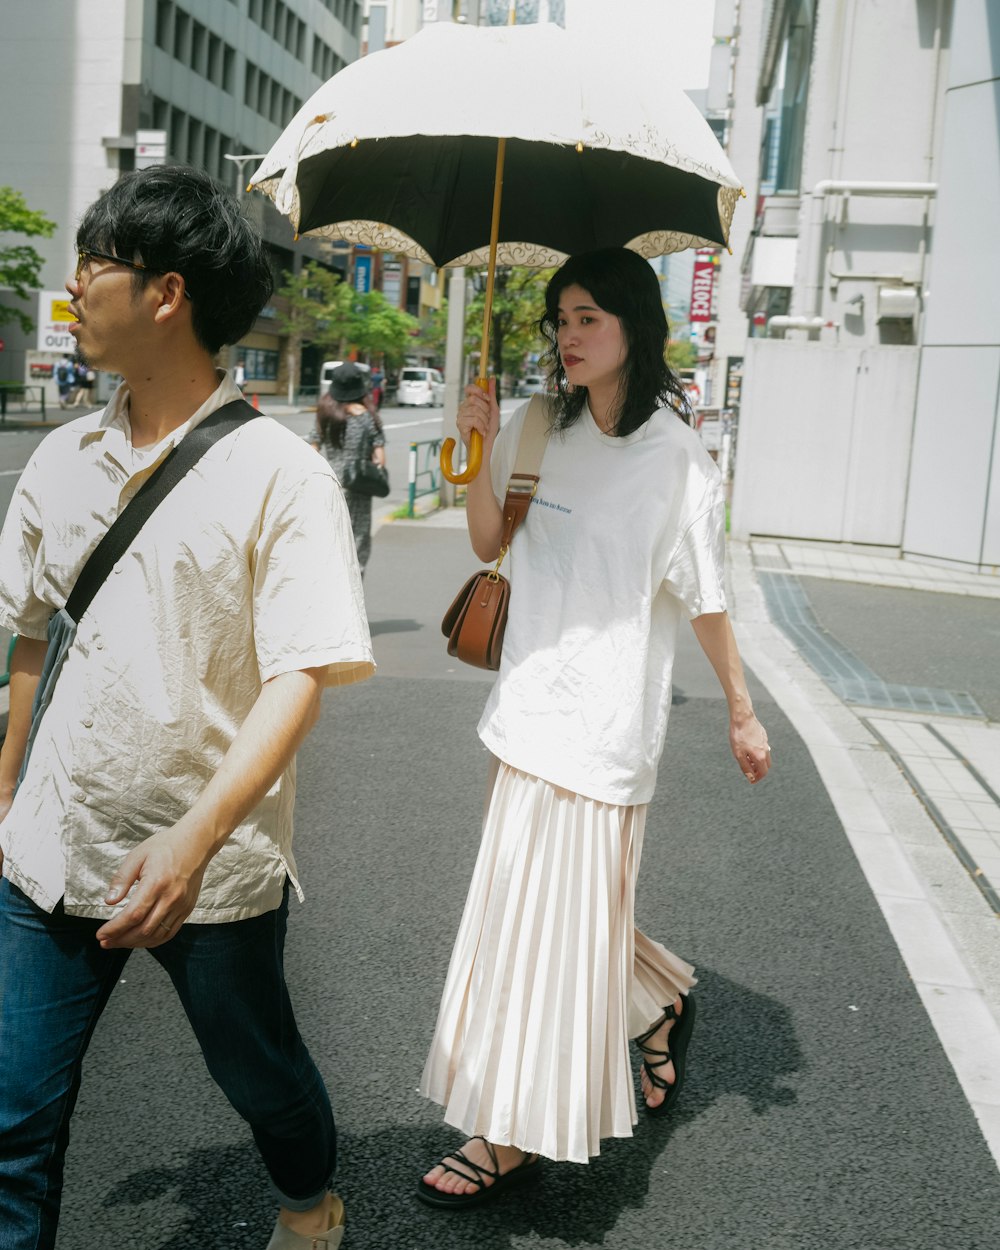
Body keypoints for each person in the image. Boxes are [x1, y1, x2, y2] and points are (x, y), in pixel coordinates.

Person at [0, 165, 373, 1250]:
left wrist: (190, 839)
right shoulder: (61, 459)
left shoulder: (278, 473)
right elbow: (31, 631)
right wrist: (7, 786)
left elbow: (300, 674)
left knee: (260, 1076)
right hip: (49, 846)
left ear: (166, 293)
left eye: (95, 264)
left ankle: (310, 1195)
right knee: (12, 1119)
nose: (73, 286)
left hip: (208, 860)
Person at [417, 248, 772, 1208]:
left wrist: (742, 709)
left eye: (588, 319)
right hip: (526, 708)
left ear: (632, 328)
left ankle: (511, 1134)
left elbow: (705, 598)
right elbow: (491, 542)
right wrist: (474, 447)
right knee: (528, 919)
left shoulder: (675, 458)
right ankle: (656, 1001)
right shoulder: (538, 424)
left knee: (550, 925)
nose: (568, 336)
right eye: (561, 319)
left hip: (607, 727)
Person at [309, 362, 386, 577]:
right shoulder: (367, 417)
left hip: (330, 485)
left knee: (329, 540)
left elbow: (313, 448)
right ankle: (355, 592)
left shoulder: (324, 412)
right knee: (358, 542)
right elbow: (380, 459)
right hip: (359, 487)